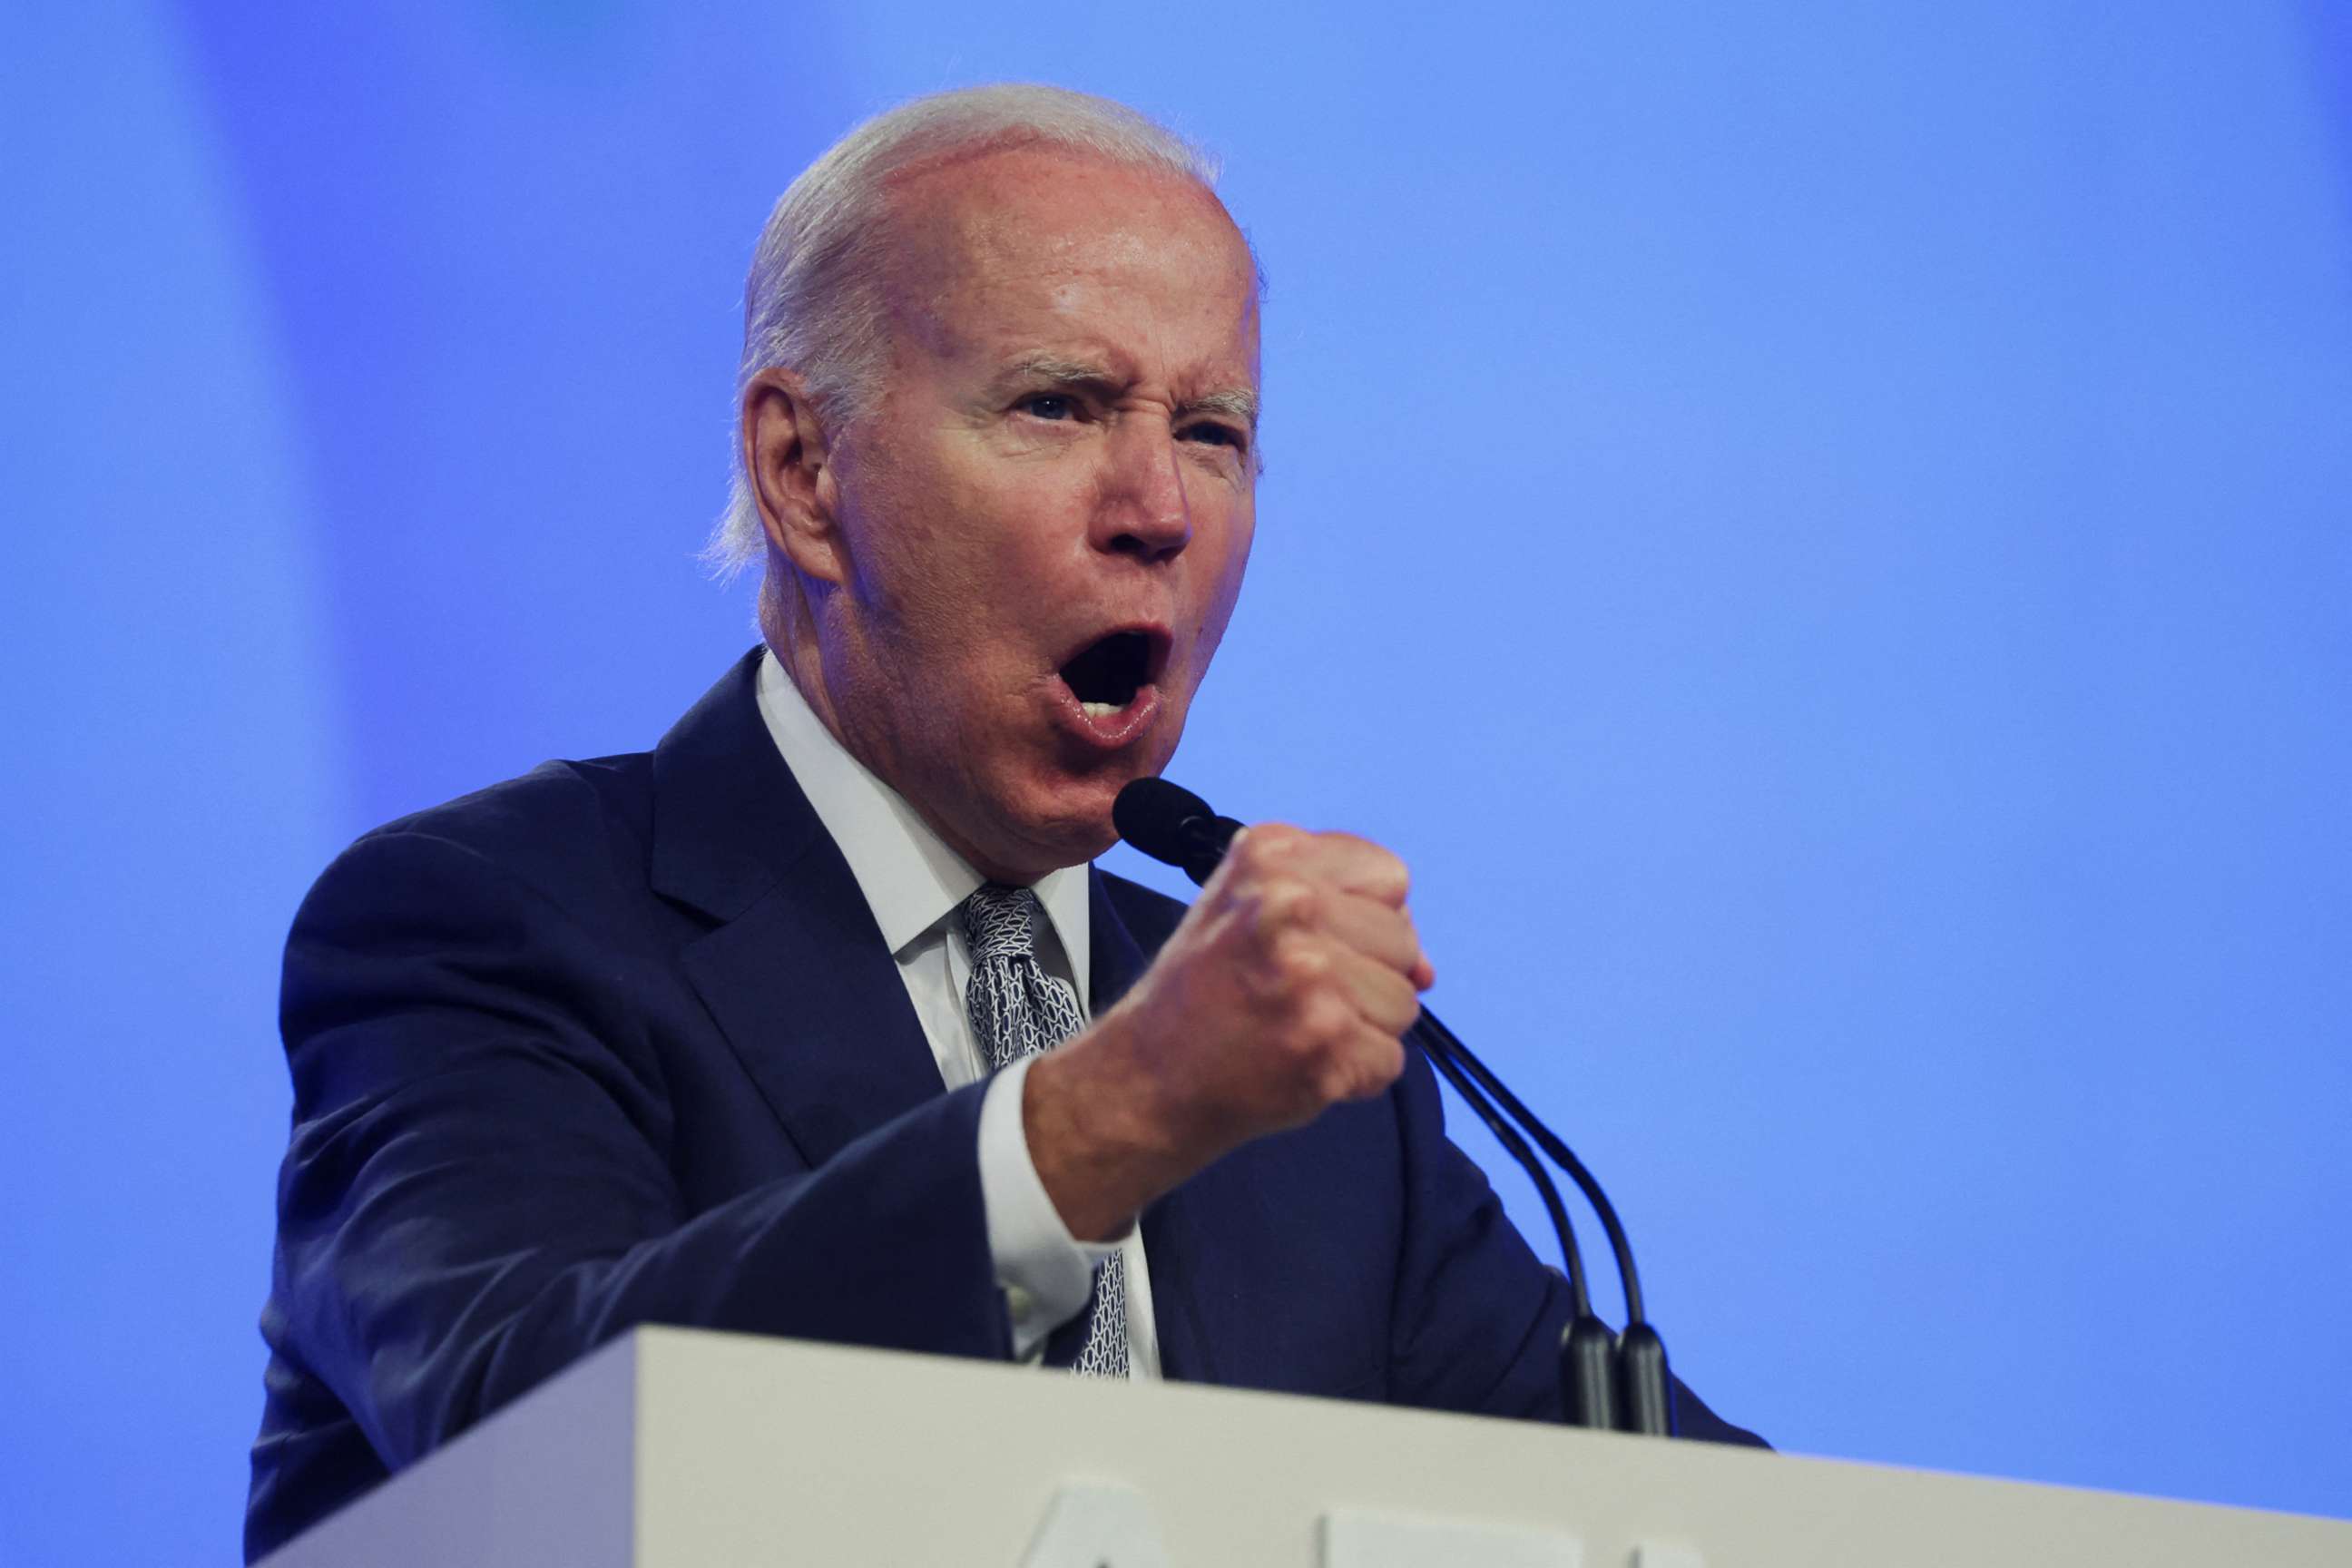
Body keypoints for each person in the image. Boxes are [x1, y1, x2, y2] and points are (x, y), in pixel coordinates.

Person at [243, 83, 1760, 1563]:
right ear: (803, 471)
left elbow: (1703, 1521)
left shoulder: (1321, 1116)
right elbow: (521, 1435)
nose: (1159, 506)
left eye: (1216, 431)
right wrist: (1111, 1117)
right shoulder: (485, 922)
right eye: (1060, 404)